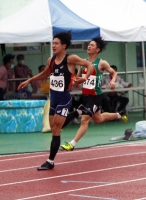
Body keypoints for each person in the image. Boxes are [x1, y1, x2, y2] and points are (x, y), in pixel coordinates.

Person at [17, 31, 95, 170]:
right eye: (52, 43)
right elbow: (45, 73)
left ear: (63, 46)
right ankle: (79, 111)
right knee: (54, 127)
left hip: (64, 98)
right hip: (53, 98)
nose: (53, 46)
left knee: (56, 129)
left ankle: (50, 161)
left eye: (56, 43)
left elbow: (90, 66)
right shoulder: (51, 60)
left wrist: (84, 78)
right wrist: (29, 80)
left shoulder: (71, 59)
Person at [60, 37, 128, 151]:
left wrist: (112, 81)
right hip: (85, 96)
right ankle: (119, 114)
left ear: (97, 49)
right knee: (99, 119)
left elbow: (113, 72)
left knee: (84, 119)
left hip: (96, 96)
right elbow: (78, 78)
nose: (89, 46)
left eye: (92, 45)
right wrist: (72, 81)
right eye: (88, 45)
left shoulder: (101, 63)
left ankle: (72, 144)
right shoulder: (83, 63)